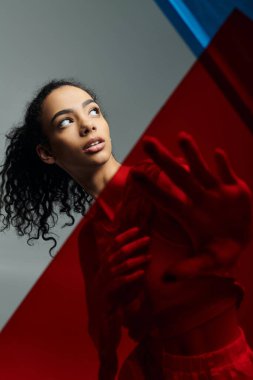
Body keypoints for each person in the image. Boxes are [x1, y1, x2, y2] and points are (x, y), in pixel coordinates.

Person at [0, 79, 252, 379]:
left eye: (93, 111)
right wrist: (102, 300)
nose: (87, 126)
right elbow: (105, 351)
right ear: (47, 153)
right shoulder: (92, 240)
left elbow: (222, 237)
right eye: (66, 121)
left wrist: (233, 232)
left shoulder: (162, 185)